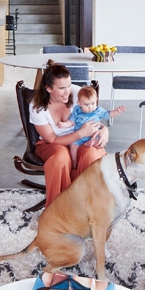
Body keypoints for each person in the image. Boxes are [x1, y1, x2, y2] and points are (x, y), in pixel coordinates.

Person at [30, 60, 110, 206]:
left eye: (69, 85)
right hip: (52, 143)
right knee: (60, 158)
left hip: (81, 139)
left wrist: (105, 130)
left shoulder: (77, 93)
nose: (68, 91)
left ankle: (90, 208)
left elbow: (95, 115)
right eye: (62, 88)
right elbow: (52, 139)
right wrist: (80, 133)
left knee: (92, 155)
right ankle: (58, 209)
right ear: (48, 88)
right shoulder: (37, 107)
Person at [58, 85, 125, 168]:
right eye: (86, 105)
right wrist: (64, 124)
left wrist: (117, 111)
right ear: (79, 103)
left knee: (97, 142)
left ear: (96, 100)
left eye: (93, 103)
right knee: (73, 146)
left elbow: (109, 114)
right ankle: (74, 162)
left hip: (93, 135)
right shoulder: (77, 110)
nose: (90, 107)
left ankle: (90, 143)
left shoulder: (98, 110)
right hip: (79, 137)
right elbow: (71, 122)